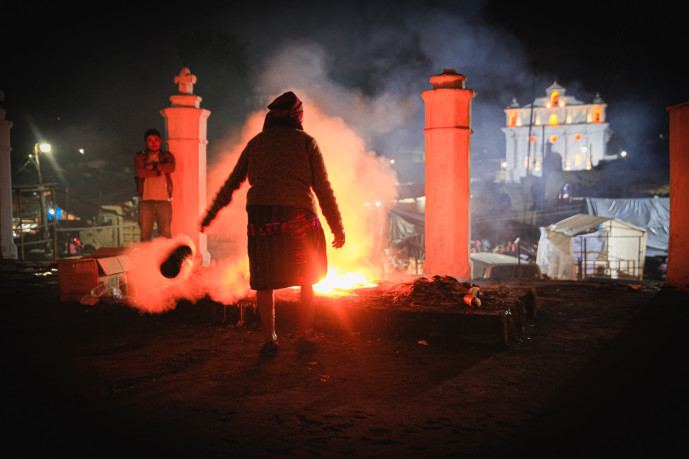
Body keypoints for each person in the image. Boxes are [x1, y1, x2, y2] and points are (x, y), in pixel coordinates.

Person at [199, 91, 345, 358]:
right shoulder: (307, 142)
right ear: (297, 117)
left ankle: (270, 339)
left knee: (264, 280)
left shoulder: (256, 143)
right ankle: (303, 335)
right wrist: (337, 227)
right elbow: (323, 188)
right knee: (307, 278)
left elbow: (232, 183)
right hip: (299, 217)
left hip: (262, 217)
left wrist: (209, 216)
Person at [134, 129, 176, 241]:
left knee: (166, 234)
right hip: (145, 201)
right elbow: (141, 173)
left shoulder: (167, 156)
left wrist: (152, 167)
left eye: (156, 140)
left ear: (160, 141)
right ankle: (146, 258)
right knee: (145, 234)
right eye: (150, 140)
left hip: (164, 201)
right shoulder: (140, 156)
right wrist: (159, 172)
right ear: (146, 142)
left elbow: (171, 167)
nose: (153, 143)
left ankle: (166, 257)